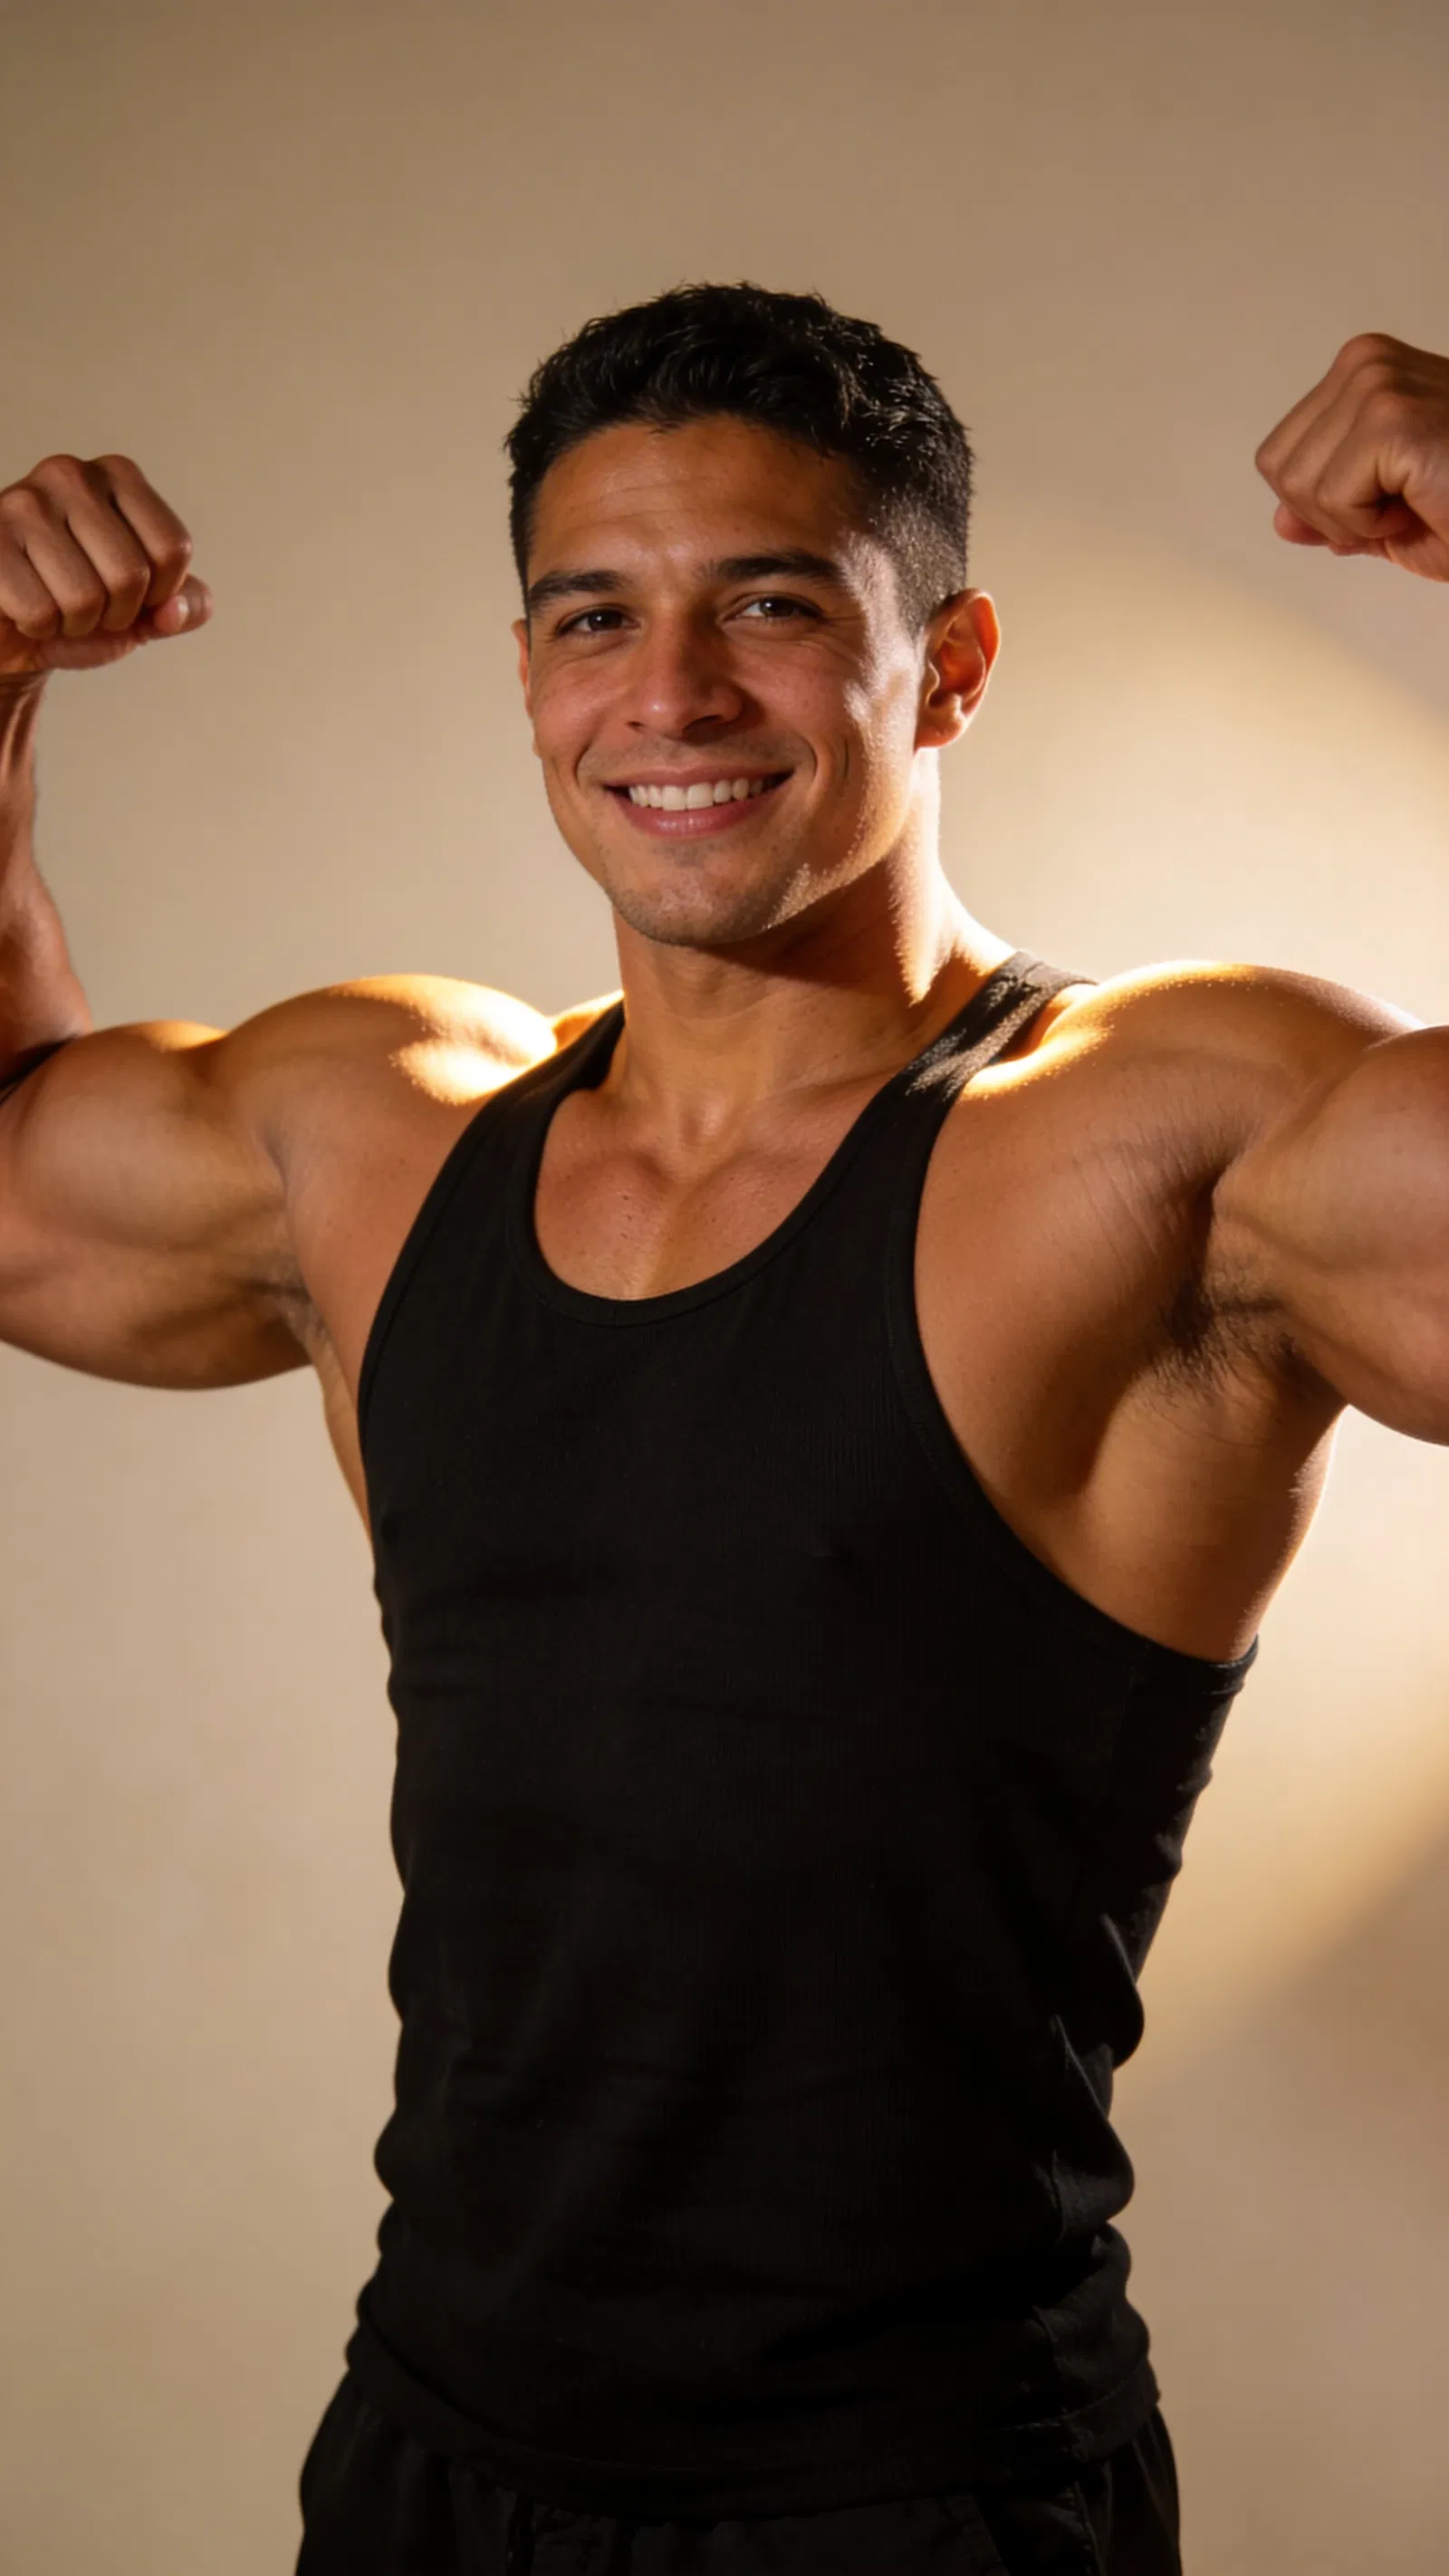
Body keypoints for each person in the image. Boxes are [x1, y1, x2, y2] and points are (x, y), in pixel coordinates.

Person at [1, 284, 1445, 2575]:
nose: (667, 697)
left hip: (922, 2507)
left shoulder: (1173, 1134)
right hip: (428, 2469)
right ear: (528, 674)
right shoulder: (378, 1134)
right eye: (596, 616)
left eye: (768, 607)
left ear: (946, 667)